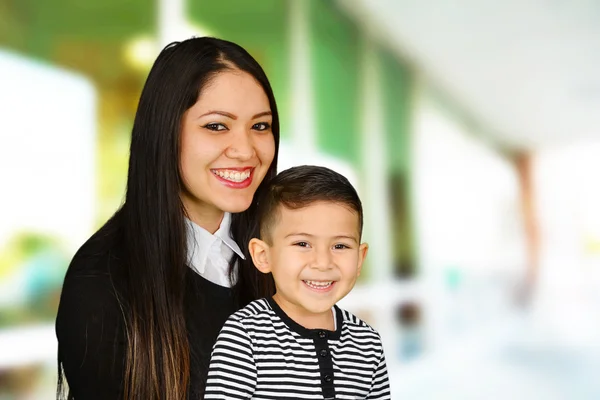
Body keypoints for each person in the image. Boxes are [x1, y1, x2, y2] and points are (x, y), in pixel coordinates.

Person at [55, 36, 280, 400]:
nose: (245, 151)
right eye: (217, 126)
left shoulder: (277, 256)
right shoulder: (101, 281)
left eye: (260, 126)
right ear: (165, 132)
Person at [204, 166, 392, 399]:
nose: (323, 263)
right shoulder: (245, 335)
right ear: (263, 255)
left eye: (340, 246)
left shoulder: (368, 342)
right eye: (303, 244)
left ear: (360, 258)